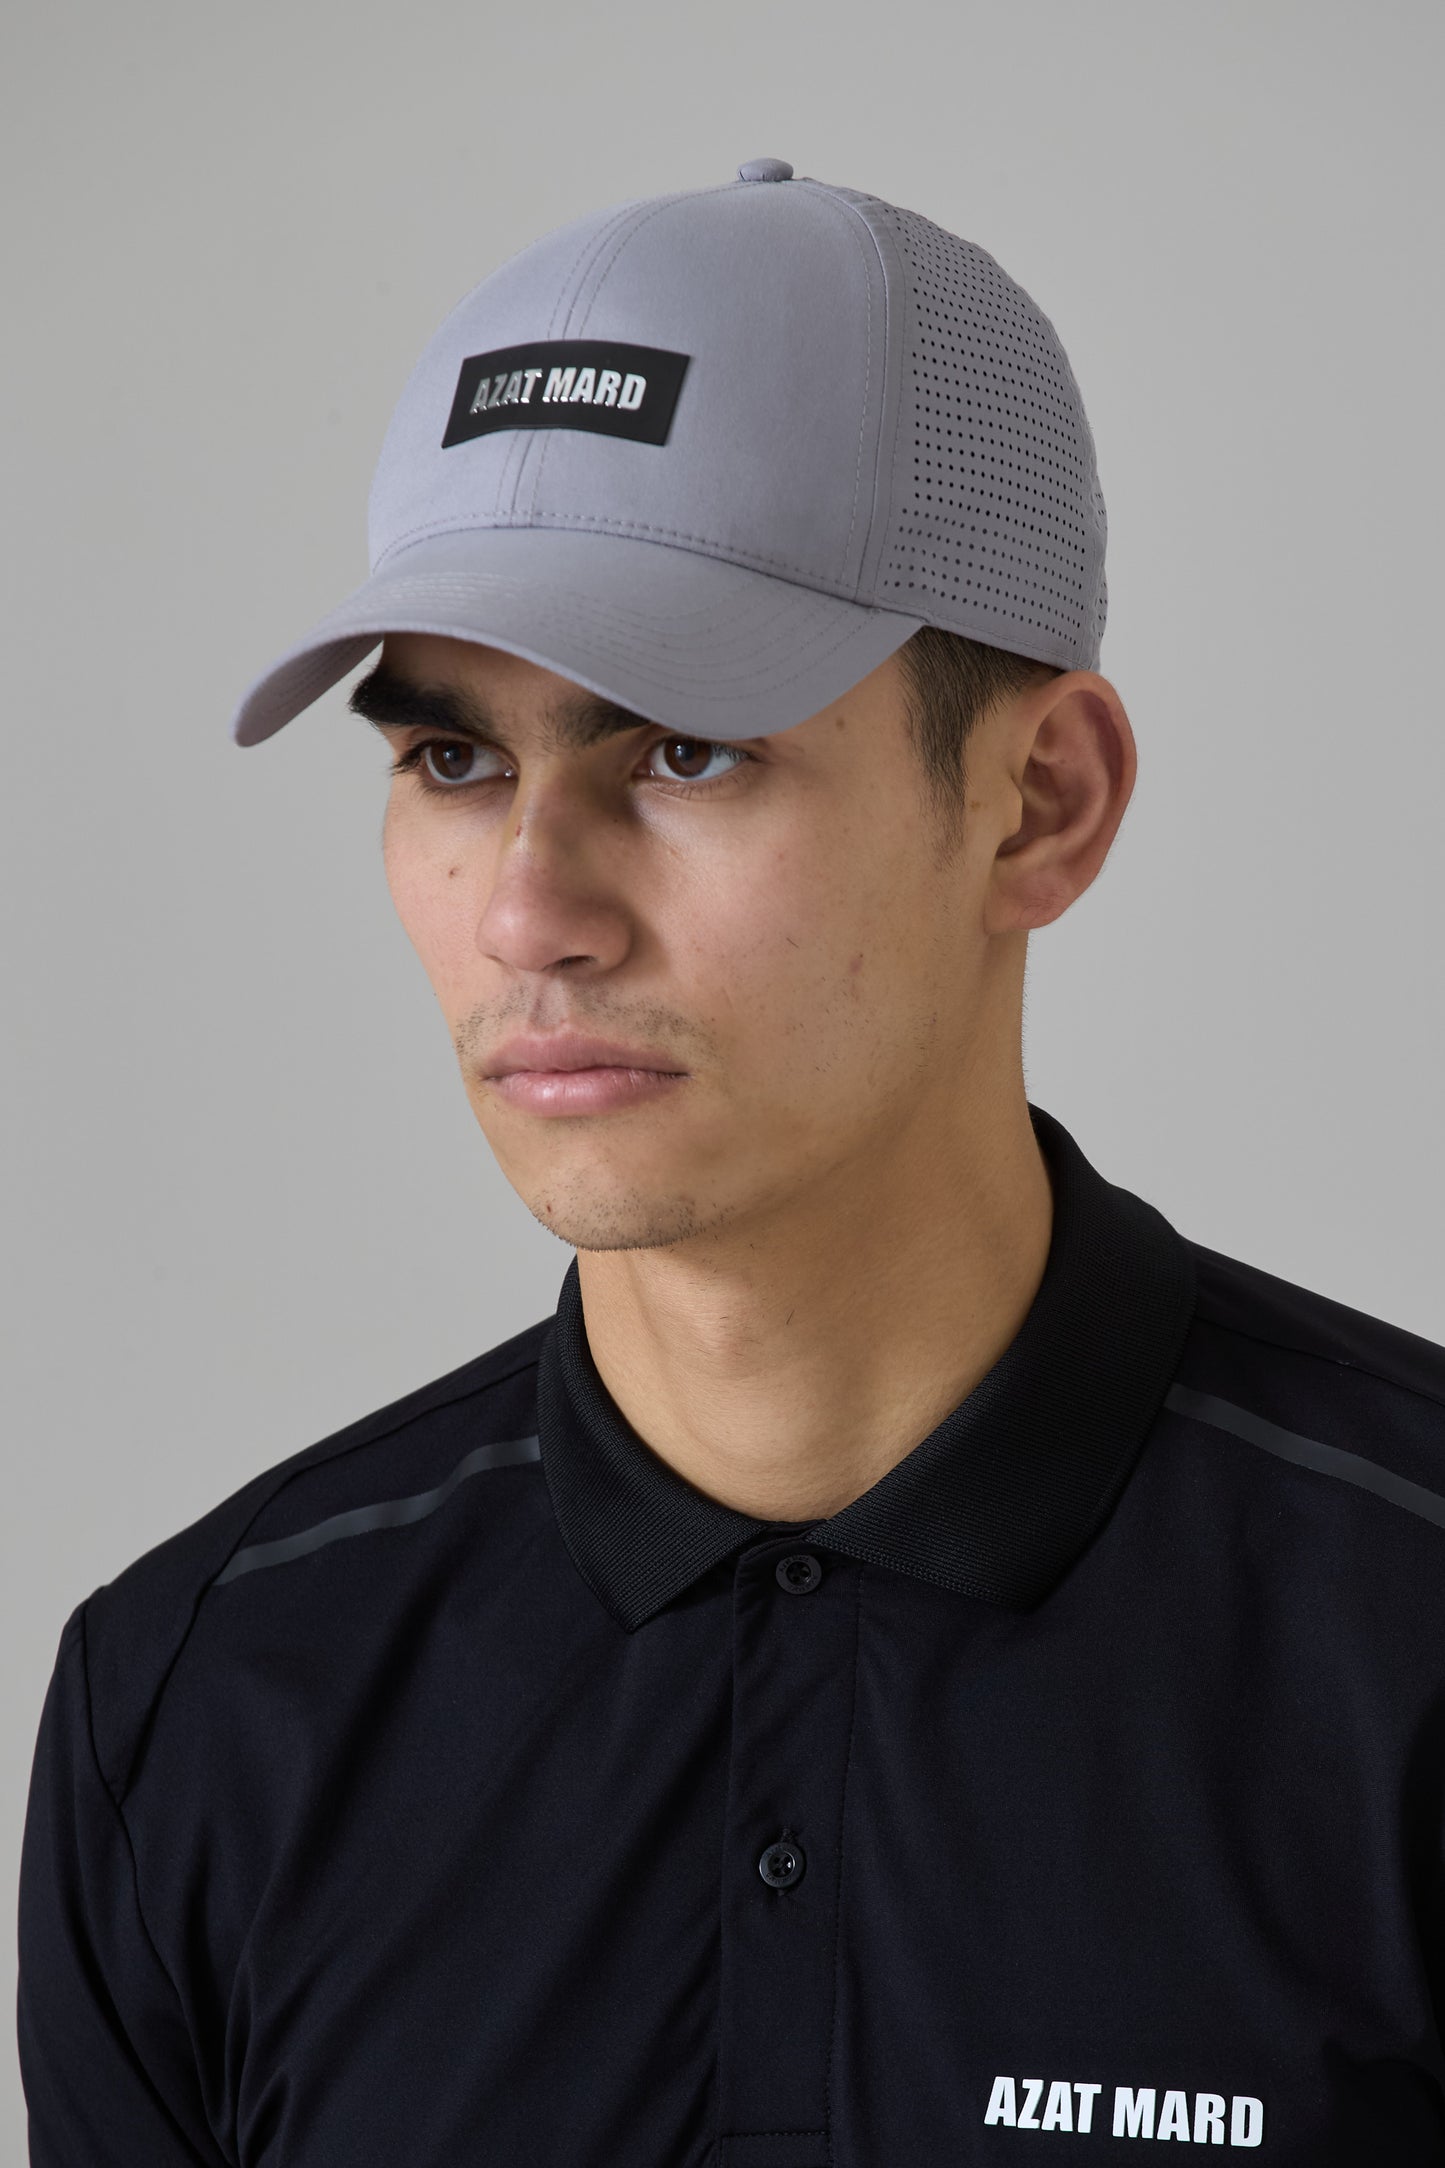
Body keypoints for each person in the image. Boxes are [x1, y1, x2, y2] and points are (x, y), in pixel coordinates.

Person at [16, 157, 1445, 2167]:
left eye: (684, 747)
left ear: (1040, 803)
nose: (529, 913)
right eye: (451, 759)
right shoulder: (203, 1706)